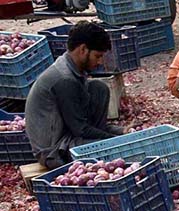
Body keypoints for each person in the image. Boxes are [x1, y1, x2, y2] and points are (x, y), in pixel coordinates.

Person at [25, 22, 125, 170]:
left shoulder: (71, 67)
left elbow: (83, 126)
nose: (100, 62)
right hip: (55, 151)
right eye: (97, 56)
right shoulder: (64, 79)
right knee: (117, 149)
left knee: (99, 88)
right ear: (83, 49)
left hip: (70, 134)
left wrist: (122, 132)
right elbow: (81, 129)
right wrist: (115, 140)